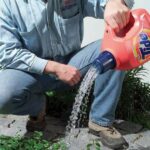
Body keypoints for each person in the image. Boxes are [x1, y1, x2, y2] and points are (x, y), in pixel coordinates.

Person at [0, 0, 134, 149]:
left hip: (73, 65)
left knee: (116, 47)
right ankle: (37, 108)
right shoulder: (8, 4)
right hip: (31, 72)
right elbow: (7, 53)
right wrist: (52, 67)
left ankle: (100, 121)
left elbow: (107, 5)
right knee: (2, 94)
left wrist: (116, 2)